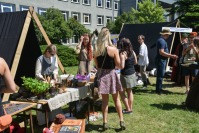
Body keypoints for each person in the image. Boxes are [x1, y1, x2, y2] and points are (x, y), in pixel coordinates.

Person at [93, 27, 125, 130]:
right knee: (117, 100)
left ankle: (105, 123)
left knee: (105, 101)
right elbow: (119, 65)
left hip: (102, 76)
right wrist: (122, 57)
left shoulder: (96, 51)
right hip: (112, 75)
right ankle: (121, 121)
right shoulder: (113, 50)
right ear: (108, 37)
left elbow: (97, 66)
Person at [35, 44, 62, 125]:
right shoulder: (40, 59)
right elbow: (37, 73)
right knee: (43, 101)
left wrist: (55, 76)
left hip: (52, 82)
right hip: (42, 82)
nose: (53, 55)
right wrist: (44, 80)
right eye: (52, 54)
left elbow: (56, 69)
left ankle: (53, 118)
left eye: (54, 54)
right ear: (47, 51)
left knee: (53, 99)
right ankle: (43, 121)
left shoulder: (54, 58)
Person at [155, 28, 178, 95]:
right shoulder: (161, 41)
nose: (168, 36)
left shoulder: (161, 40)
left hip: (162, 60)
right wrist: (171, 56)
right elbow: (161, 52)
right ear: (165, 34)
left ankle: (159, 88)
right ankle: (158, 90)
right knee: (160, 75)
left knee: (161, 75)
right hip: (161, 60)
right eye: (168, 35)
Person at [118, 38, 137, 114]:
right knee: (130, 92)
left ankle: (128, 109)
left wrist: (117, 66)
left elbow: (122, 66)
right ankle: (130, 109)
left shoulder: (123, 54)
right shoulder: (133, 52)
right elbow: (135, 62)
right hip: (132, 73)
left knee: (121, 92)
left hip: (125, 75)